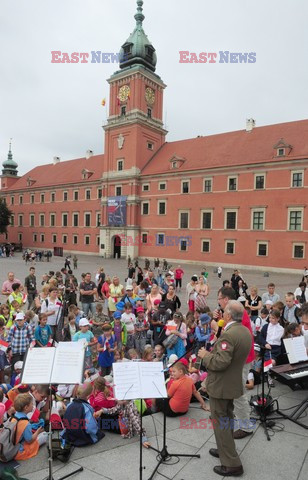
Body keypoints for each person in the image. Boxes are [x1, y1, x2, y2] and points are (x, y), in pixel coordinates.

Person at [198, 300, 252, 477]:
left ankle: (231, 463)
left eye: (224, 311)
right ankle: (225, 450)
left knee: (220, 422)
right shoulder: (244, 331)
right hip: (231, 384)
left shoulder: (229, 334)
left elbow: (221, 362)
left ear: (228, 315)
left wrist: (206, 356)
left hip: (221, 386)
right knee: (227, 419)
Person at [214, 287, 255, 439]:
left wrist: (218, 325)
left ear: (225, 299)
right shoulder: (235, 311)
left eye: (219, 299)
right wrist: (219, 321)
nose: (218, 302)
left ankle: (246, 426)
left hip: (241, 359)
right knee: (235, 391)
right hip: (240, 358)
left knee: (239, 393)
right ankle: (233, 417)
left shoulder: (238, 313)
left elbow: (234, 337)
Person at [13, 393, 47, 460]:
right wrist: (38, 431)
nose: (33, 405)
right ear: (26, 407)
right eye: (31, 404)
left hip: (13, 445)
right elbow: (29, 440)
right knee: (45, 435)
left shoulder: (14, 416)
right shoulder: (25, 423)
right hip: (20, 450)